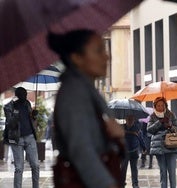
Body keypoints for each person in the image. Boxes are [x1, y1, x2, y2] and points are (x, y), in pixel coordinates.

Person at [47, 29, 125, 188]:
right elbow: (81, 150)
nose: (107, 56)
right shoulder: (74, 92)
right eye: (99, 51)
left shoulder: (85, 90)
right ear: (77, 58)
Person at [4, 87, 39, 188]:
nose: (25, 96)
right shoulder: (9, 106)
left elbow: (31, 120)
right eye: (22, 94)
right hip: (17, 139)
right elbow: (10, 124)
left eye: (26, 94)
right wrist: (16, 113)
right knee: (19, 168)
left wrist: (34, 115)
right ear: (18, 95)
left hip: (30, 137)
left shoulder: (27, 103)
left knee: (35, 165)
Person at [147, 97, 177, 188]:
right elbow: (149, 130)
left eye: (162, 105)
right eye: (158, 105)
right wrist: (159, 122)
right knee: (163, 172)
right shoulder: (152, 116)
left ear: (165, 105)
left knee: (172, 172)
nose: (160, 107)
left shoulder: (170, 115)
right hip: (159, 148)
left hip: (171, 146)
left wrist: (170, 126)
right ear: (155, 106)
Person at [121, 115, 146, 188]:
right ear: (125, 119)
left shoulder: (137, 128)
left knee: (134, 168)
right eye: (128, 119)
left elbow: (141, 138)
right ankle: (122, 182)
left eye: (131, 119)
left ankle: (135, 184)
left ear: (134, 120)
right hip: (124, 151)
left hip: (134, 150)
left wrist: (144, 148)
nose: (130, 121)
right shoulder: (121, 127)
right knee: (123, 168)